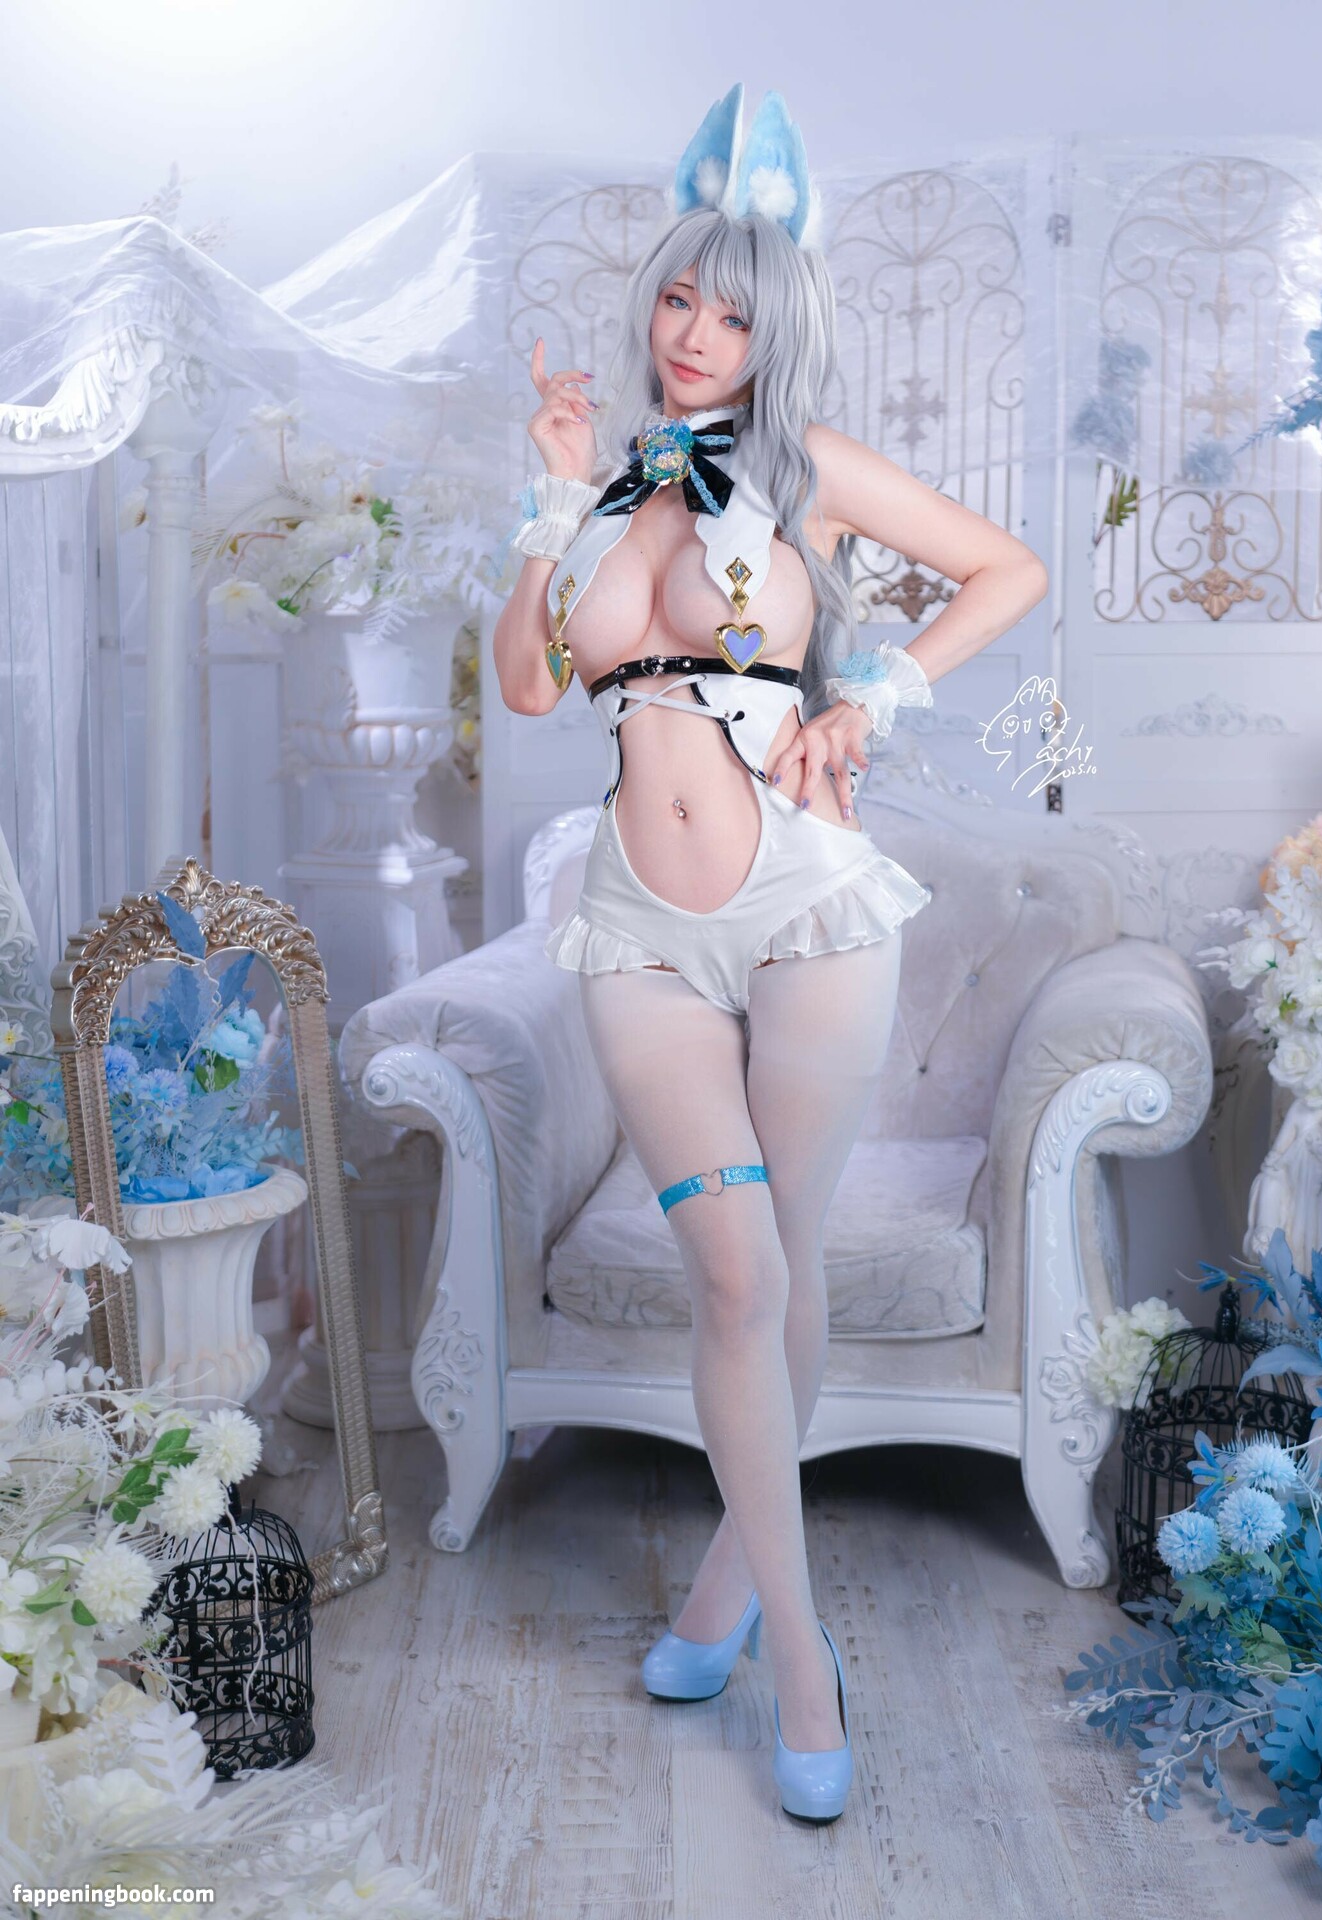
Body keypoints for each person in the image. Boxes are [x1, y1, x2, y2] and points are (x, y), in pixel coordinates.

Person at [493, 84, 1047, 1824]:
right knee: (735, 1276)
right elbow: (527, 684)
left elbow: (1007, 568)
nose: (694, 334)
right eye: (678, 298)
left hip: (806, 908)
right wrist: (552, 497)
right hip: (640, 932)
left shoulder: (804, 470)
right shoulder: (598, 488)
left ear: (773, 328)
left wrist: (870, 696)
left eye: (731, 313)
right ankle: (807, 1656)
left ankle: (741, 1606)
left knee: (783, 1262)